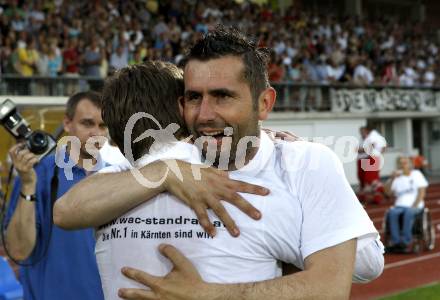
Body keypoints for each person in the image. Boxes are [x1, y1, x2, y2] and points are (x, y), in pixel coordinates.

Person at [54, 28, 383, 300]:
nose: (206, 113)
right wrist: (168, 172)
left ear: (264, 103)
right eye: (195, 98)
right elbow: (361, 269)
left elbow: (335, 283)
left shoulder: (301, 163)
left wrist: (205, 293)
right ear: (180, 107)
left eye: (222, 96)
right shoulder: (174, 172)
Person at [4, 91, 108, 300]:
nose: (96, 133)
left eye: (102, 125)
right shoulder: (37, 173)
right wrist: (27, 184)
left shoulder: (115, 177)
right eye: (87, 124)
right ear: (68, 124)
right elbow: (18, 251)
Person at [384, 156, 428, 253]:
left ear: (410, 164)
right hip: (400, 205)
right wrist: (391, 179)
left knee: (408, 212)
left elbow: (422, 192)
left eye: (405, 163)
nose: (403, 165)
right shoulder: (396, 178)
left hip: (415, 205)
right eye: (401, 163)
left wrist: (415, 205)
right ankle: (396, 242)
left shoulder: (416, 174)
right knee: (392, 213)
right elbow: (387, 193)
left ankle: (406, 241)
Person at [357, 125, 387, 204]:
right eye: (361, 132)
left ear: (367, 130)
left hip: (372, 157)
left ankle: (379, 195)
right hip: (366, 158)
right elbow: (383, 146)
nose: (361, 133)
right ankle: (370, 197)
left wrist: (361, 150)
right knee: (364, 179)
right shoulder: (366, 138)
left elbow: (373, 146)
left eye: (362, 131)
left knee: (371, 180)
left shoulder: (373, 136)